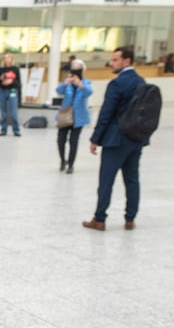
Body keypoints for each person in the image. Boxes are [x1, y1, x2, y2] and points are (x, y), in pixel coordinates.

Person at [83, 46, 147, 232]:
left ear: (126, 61)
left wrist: (96, 138)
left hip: (116, 139)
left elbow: (106, 113)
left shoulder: (117, 83)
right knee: (132, 179)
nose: (111, 63)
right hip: (135, 139)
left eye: (115, 60)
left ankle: (100, 218)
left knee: (106, 179)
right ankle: (130, 218)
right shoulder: (141, 81)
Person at [55, 59, 92, 174]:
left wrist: (80, 85)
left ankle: (71, 164)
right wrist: (66, 83)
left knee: (74, 141)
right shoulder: (67, 82)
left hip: (78, 116)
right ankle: (62, 160)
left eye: (77, 69)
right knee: (61, 139)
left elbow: (88, 93)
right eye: (73, 69)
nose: (75, 72)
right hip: (65, 114)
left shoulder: (86, 82)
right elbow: (58, 90)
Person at [0, 52, 22, 137]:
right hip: (2, 91)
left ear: (11, 59)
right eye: (5, 58)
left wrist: (11, 81)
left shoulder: (15, 69)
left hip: (12, 91)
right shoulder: (1, 70)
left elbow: (18, 83)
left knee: (13, 112)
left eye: (8, 57)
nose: (7, 59)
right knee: (3, 111)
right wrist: (1, 80)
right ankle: (3, 129)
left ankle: (16, 130)